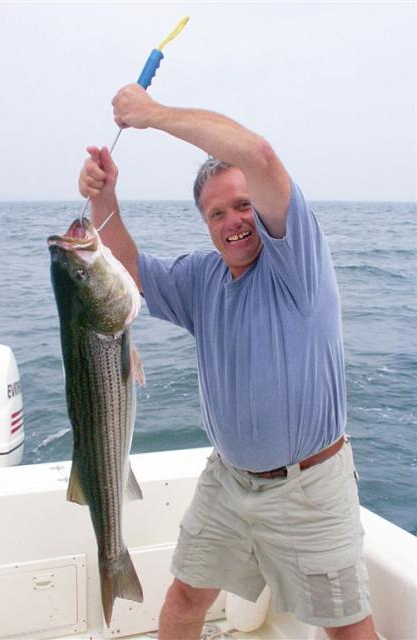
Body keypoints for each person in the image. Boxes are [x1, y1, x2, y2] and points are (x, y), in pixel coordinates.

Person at [78, 83, 378, 640]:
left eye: (243, 205)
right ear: (205, 223)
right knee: (185, 598)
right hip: (229, 480)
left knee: (349, 630)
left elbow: (260, 156)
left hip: (311, 489)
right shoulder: (203, 278)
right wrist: (103, 200)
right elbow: (127, 271)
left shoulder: (296, 259)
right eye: (217, 213)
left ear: (261, 208)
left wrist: (155, 116)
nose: (234, 221)